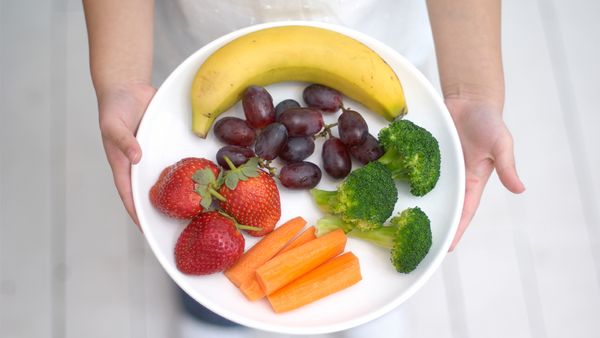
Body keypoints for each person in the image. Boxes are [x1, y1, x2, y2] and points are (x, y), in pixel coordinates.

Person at [82, 0, 525, 332]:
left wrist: (473, 91)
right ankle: (212, 315)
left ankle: (368, 309)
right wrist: (121, 78)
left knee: (374, 294)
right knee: (203, 267)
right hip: (201, 50)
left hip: (381, 48)